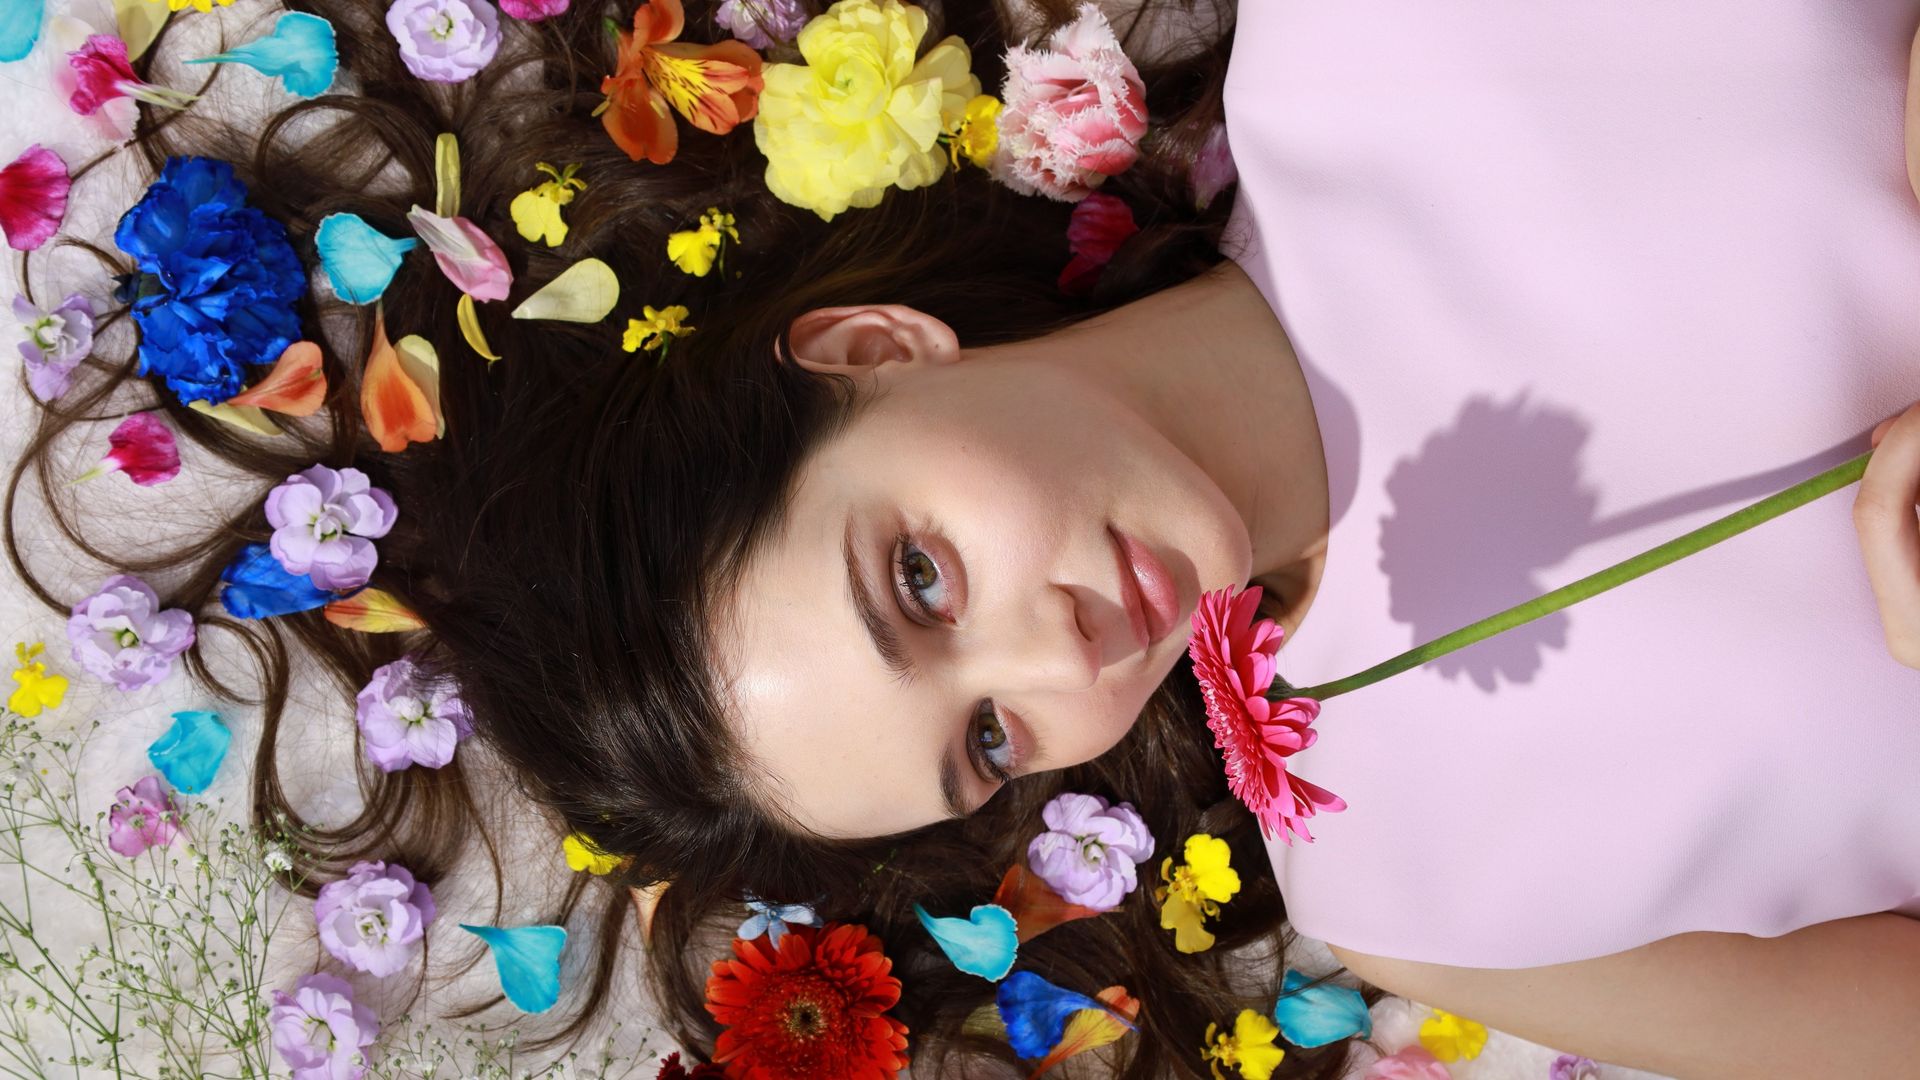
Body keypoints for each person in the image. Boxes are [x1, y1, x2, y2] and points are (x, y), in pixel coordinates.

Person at [8, 1, 1918, 1078]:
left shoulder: (1390, 59)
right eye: (989, 741)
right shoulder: (1425, 891)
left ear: (868, 349)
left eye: (919, 581)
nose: (1065, 659)